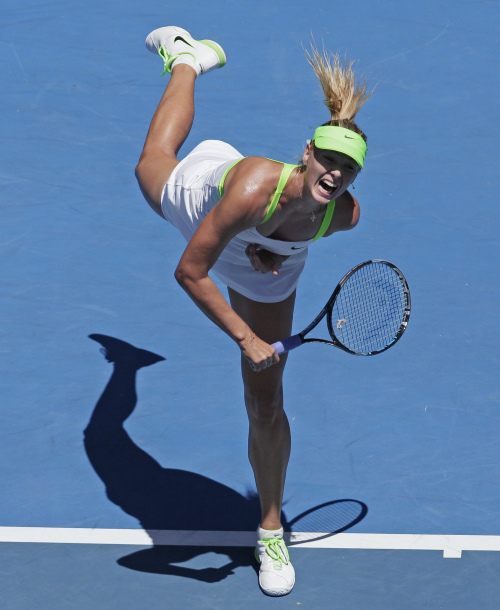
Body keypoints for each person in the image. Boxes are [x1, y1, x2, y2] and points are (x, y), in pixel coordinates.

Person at [135, 26, 373, 597]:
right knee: (151, 164)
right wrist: (245, 337)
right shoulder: (248, 189)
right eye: (329, 160)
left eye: (349, 169)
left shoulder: (342, 215)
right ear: (308, 153)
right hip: (212, 205)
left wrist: (268, 248)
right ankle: (186, 61)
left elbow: (301, 227)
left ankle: (271, 530)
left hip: (267, 257)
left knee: (266, 401)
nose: (336, 175)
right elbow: (190, 272)